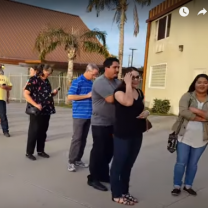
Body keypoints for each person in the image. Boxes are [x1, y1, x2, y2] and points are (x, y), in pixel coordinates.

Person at [110, 68, 150, 205]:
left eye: (138, 77)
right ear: (126, 78)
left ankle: (125, 192)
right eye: (132, 77)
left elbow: (140, 107)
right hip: (123, 133)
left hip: (136, 133)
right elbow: (128, 102)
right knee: (118, 164)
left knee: (128, 165)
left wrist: (146, 113)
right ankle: (116, 194)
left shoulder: (139, 92)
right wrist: (127, 84)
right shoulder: (118, 92)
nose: (136, 80)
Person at [171, 74, 208, 196]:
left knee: (193, 163)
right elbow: (183, 111)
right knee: (181, 162)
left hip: (202, 138)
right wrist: (202, 118)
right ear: (195, 84)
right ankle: (177, 185)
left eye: (205, 82)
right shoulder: (187, 96)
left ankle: (188, 185)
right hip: (184, 135)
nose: (202, 84)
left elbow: (190, 111)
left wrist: (196, 110)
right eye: (199, 82)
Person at [87, 57, 120, 191]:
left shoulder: (117, 82)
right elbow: (111, 99)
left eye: (118, 67)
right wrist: (126, 89)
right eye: (115, 67)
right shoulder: (100, 82)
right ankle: (93, 178)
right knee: (99, 152)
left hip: (113, 123)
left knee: (109, 151)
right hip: (100, 123)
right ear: (106, 68)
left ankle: (103, 175)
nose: (117, 70)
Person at [67, 63, 99, 172]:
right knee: (77, 138)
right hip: (79, 115)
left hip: (89, 115)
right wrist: (87, 95)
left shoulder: (91, 83)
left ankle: (78, 159)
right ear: (88, 71)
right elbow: (70, 96)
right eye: (94, 74)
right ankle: (71, 161)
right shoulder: (78, 81)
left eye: (96, 75)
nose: (94, 77)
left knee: (83, 139)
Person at [24, 64, 58, 161]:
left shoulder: (46, 81)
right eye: (48, 72)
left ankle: (40, 150)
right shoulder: (33, 80)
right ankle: (29, 152)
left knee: (43, 131)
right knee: (34, 131)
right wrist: (35, 104)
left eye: (50, 73)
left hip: (46, 110)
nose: (49, 74)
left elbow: (45, 95)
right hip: (36, 110)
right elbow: (26, 94)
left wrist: (53, 94)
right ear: (43, 70)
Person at [0, 64, 12, 137]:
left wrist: (4, 87)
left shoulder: (5, 78)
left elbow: (10, 87)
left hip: (2, 99)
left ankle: (5, 131)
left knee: (3, 115)